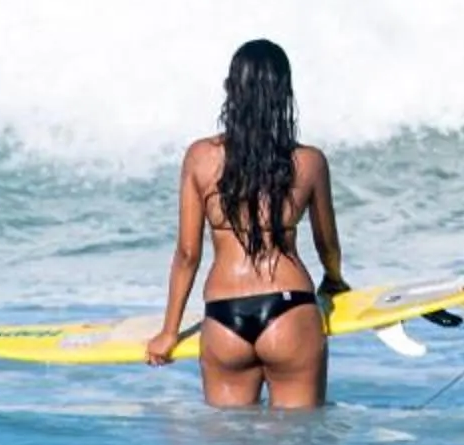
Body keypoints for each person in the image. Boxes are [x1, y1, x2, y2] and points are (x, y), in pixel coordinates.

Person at [145, 38, 347, 406]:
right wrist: (333, 281)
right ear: (285, 93)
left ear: (230, 89)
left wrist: (168, 332)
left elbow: (188, 254)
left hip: (225, 316)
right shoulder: (310, 162)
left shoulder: (200, 158)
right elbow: (327, 245)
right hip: (291, 310)